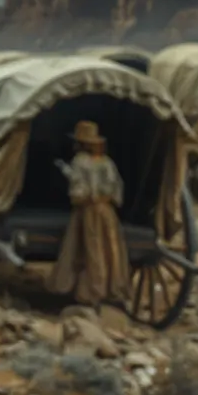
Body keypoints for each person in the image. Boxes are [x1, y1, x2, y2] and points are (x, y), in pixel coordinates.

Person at [47, 120, 131, 308]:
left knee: (90, 249)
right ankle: (111, 289)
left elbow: (78, 190)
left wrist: (69, 179)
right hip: (107, 212)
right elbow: (117, 188)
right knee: (110, 249)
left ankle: (92, 292)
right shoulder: (107, 163)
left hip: (88, 212)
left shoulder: (80, 162)